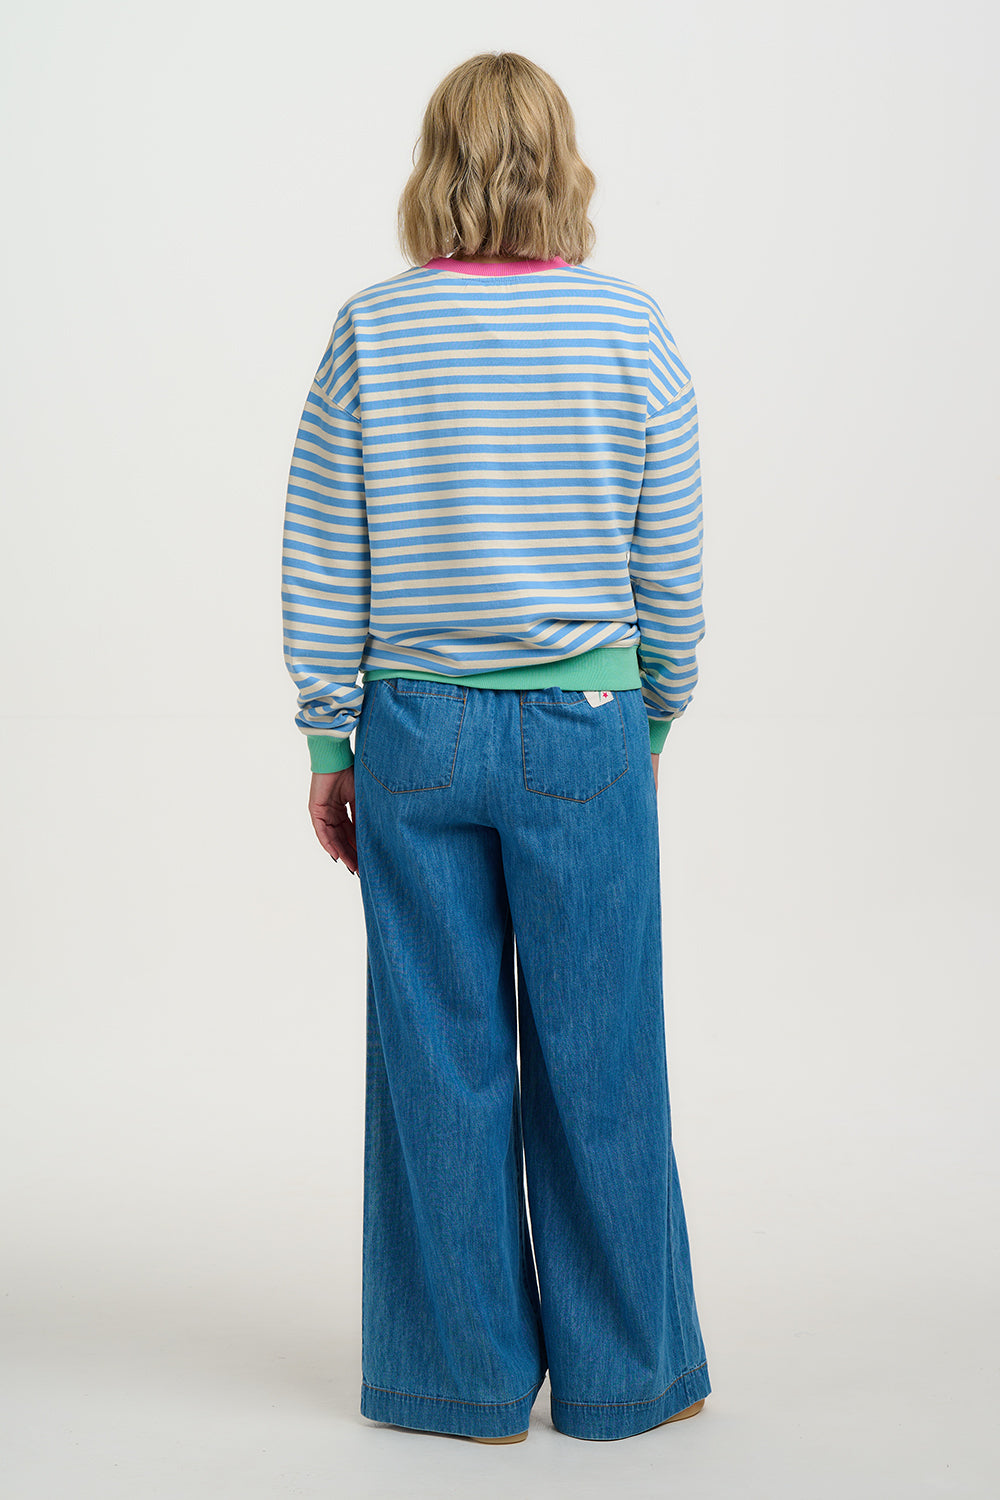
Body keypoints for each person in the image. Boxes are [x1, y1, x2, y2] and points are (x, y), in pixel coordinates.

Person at [280, 50, 711, 1444]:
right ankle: (623, 1378)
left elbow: (320, 550)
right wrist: (655, 712)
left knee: (437, 1064)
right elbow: (674, 570)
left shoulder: (370, 331)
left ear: (435, 165)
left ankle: (455, 1380)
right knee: (603, 1057)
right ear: (562, 164)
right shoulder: (630, 330)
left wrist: (328, 736)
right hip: (587, 729)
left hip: (414, 729)